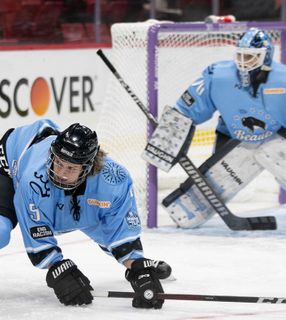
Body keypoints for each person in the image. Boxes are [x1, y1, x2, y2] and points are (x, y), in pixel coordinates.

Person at [142, 27, 286, 228]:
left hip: (281, 141)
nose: (244, 62)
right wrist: (171, 133)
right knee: (186, 216)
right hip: (234, 143)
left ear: (266, 57)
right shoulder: (217, 76)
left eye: (251, 57)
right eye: (241, 55)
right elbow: (188, 108)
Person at [0, 119, 171, 308]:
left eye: (71, 168)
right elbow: (38, 237)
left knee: (112, 238)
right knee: (1, 230)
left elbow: (119, 233)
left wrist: (138, 267)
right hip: (10, 166)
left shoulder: (114, 181)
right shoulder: (33, 180)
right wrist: (58, 269)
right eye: (58, 163)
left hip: (72, 198)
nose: (61, 173)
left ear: (89, 167)